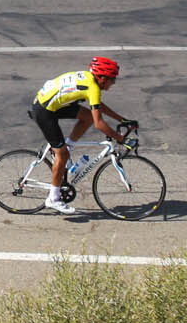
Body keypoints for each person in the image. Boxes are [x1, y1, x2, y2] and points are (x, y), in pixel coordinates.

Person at [31, 56, 136, 214]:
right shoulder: (92, 88)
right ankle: (53, 198)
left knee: (87, 117)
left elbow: (97, 105)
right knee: (62, 155)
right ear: (102, 78)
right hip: (44, 111)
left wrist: (122, 119)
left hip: (53, 104)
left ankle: (69, 145)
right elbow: (99, 123)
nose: (113, 83)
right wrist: (121, 139)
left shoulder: (90, 80)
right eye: (112, 79)